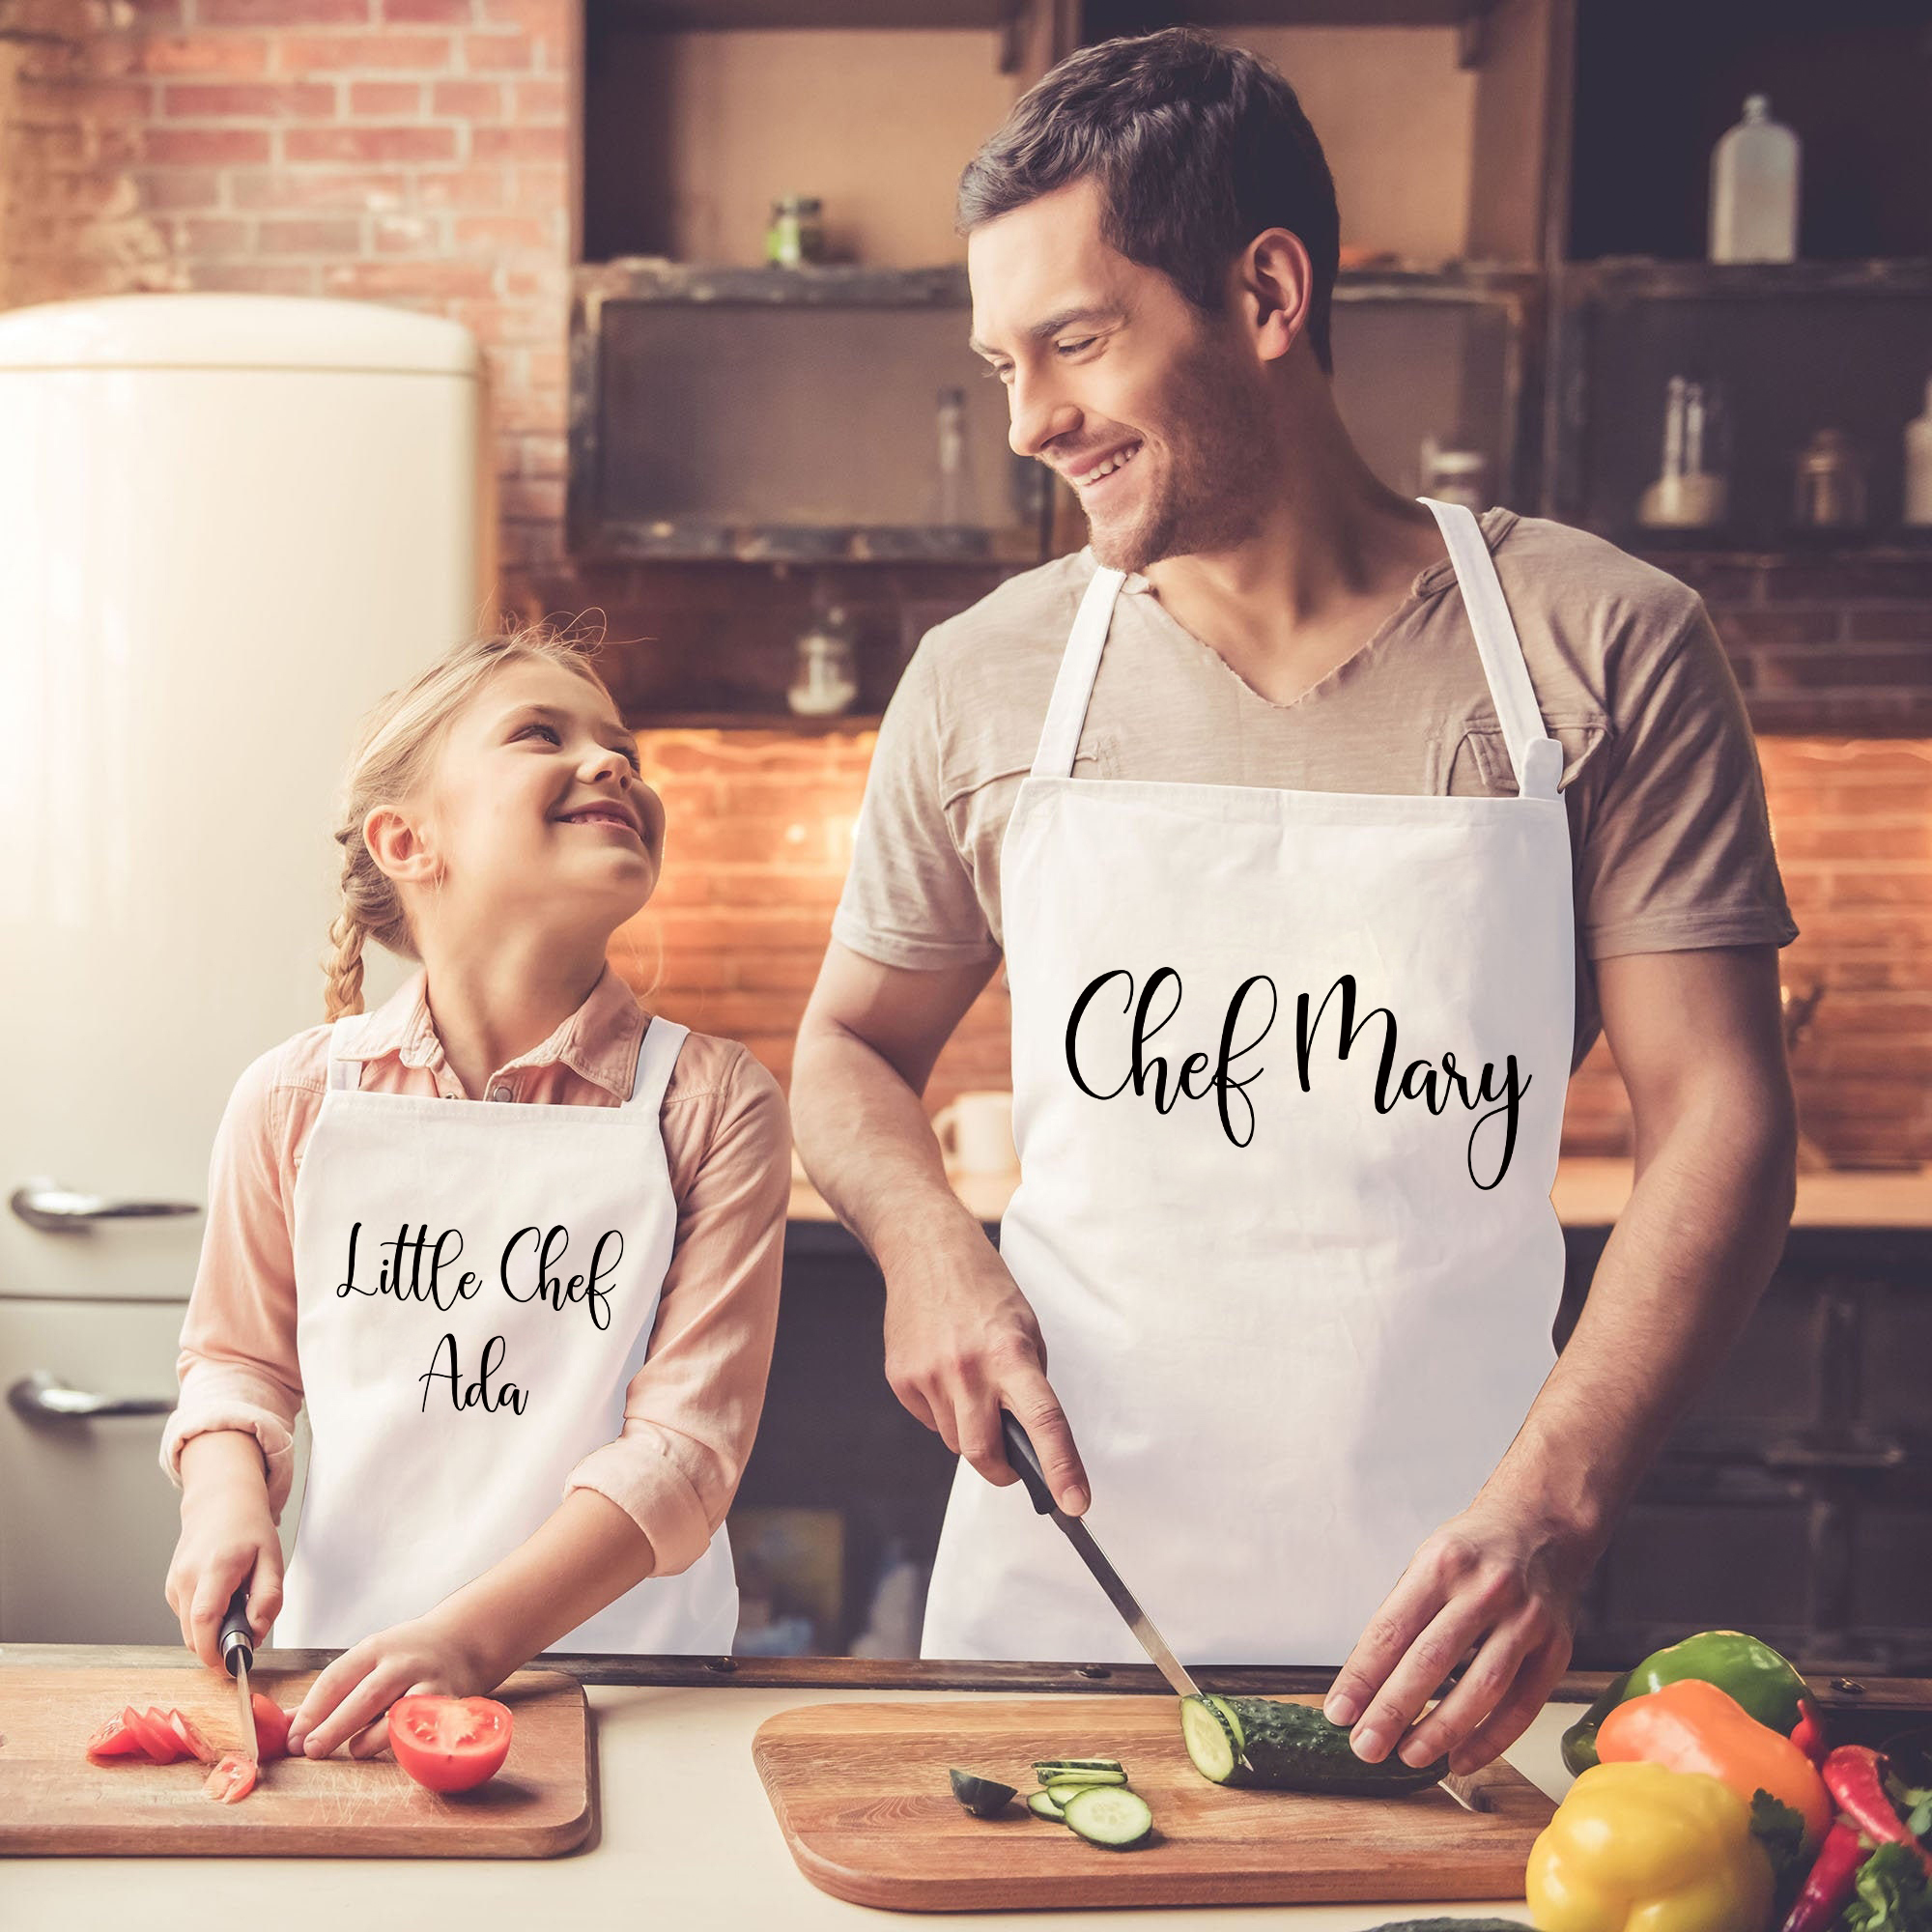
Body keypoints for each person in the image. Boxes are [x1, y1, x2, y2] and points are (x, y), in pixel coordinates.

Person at [790, 30, 1799, 1777]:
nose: (1030, 421)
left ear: (1266, 291)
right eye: (1001, 361)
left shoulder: (1600, 642)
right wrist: (929, 1255)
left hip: (1464, 1618)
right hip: (1064, 1612)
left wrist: (1557, 1506)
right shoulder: (986, 679)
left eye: (1078, 343)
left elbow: (1720, 1110)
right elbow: (845, 1052)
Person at [160, 626, 790, 1759]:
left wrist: (466, 1639)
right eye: (540, 734)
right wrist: (223, 1497)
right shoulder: (295, 1097)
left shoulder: (716, 1104)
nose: (612, 765)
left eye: (622, 749)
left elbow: (683, 1454)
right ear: (408, 840)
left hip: (628, 1680)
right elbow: (239, 1363)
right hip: (340, 1672)